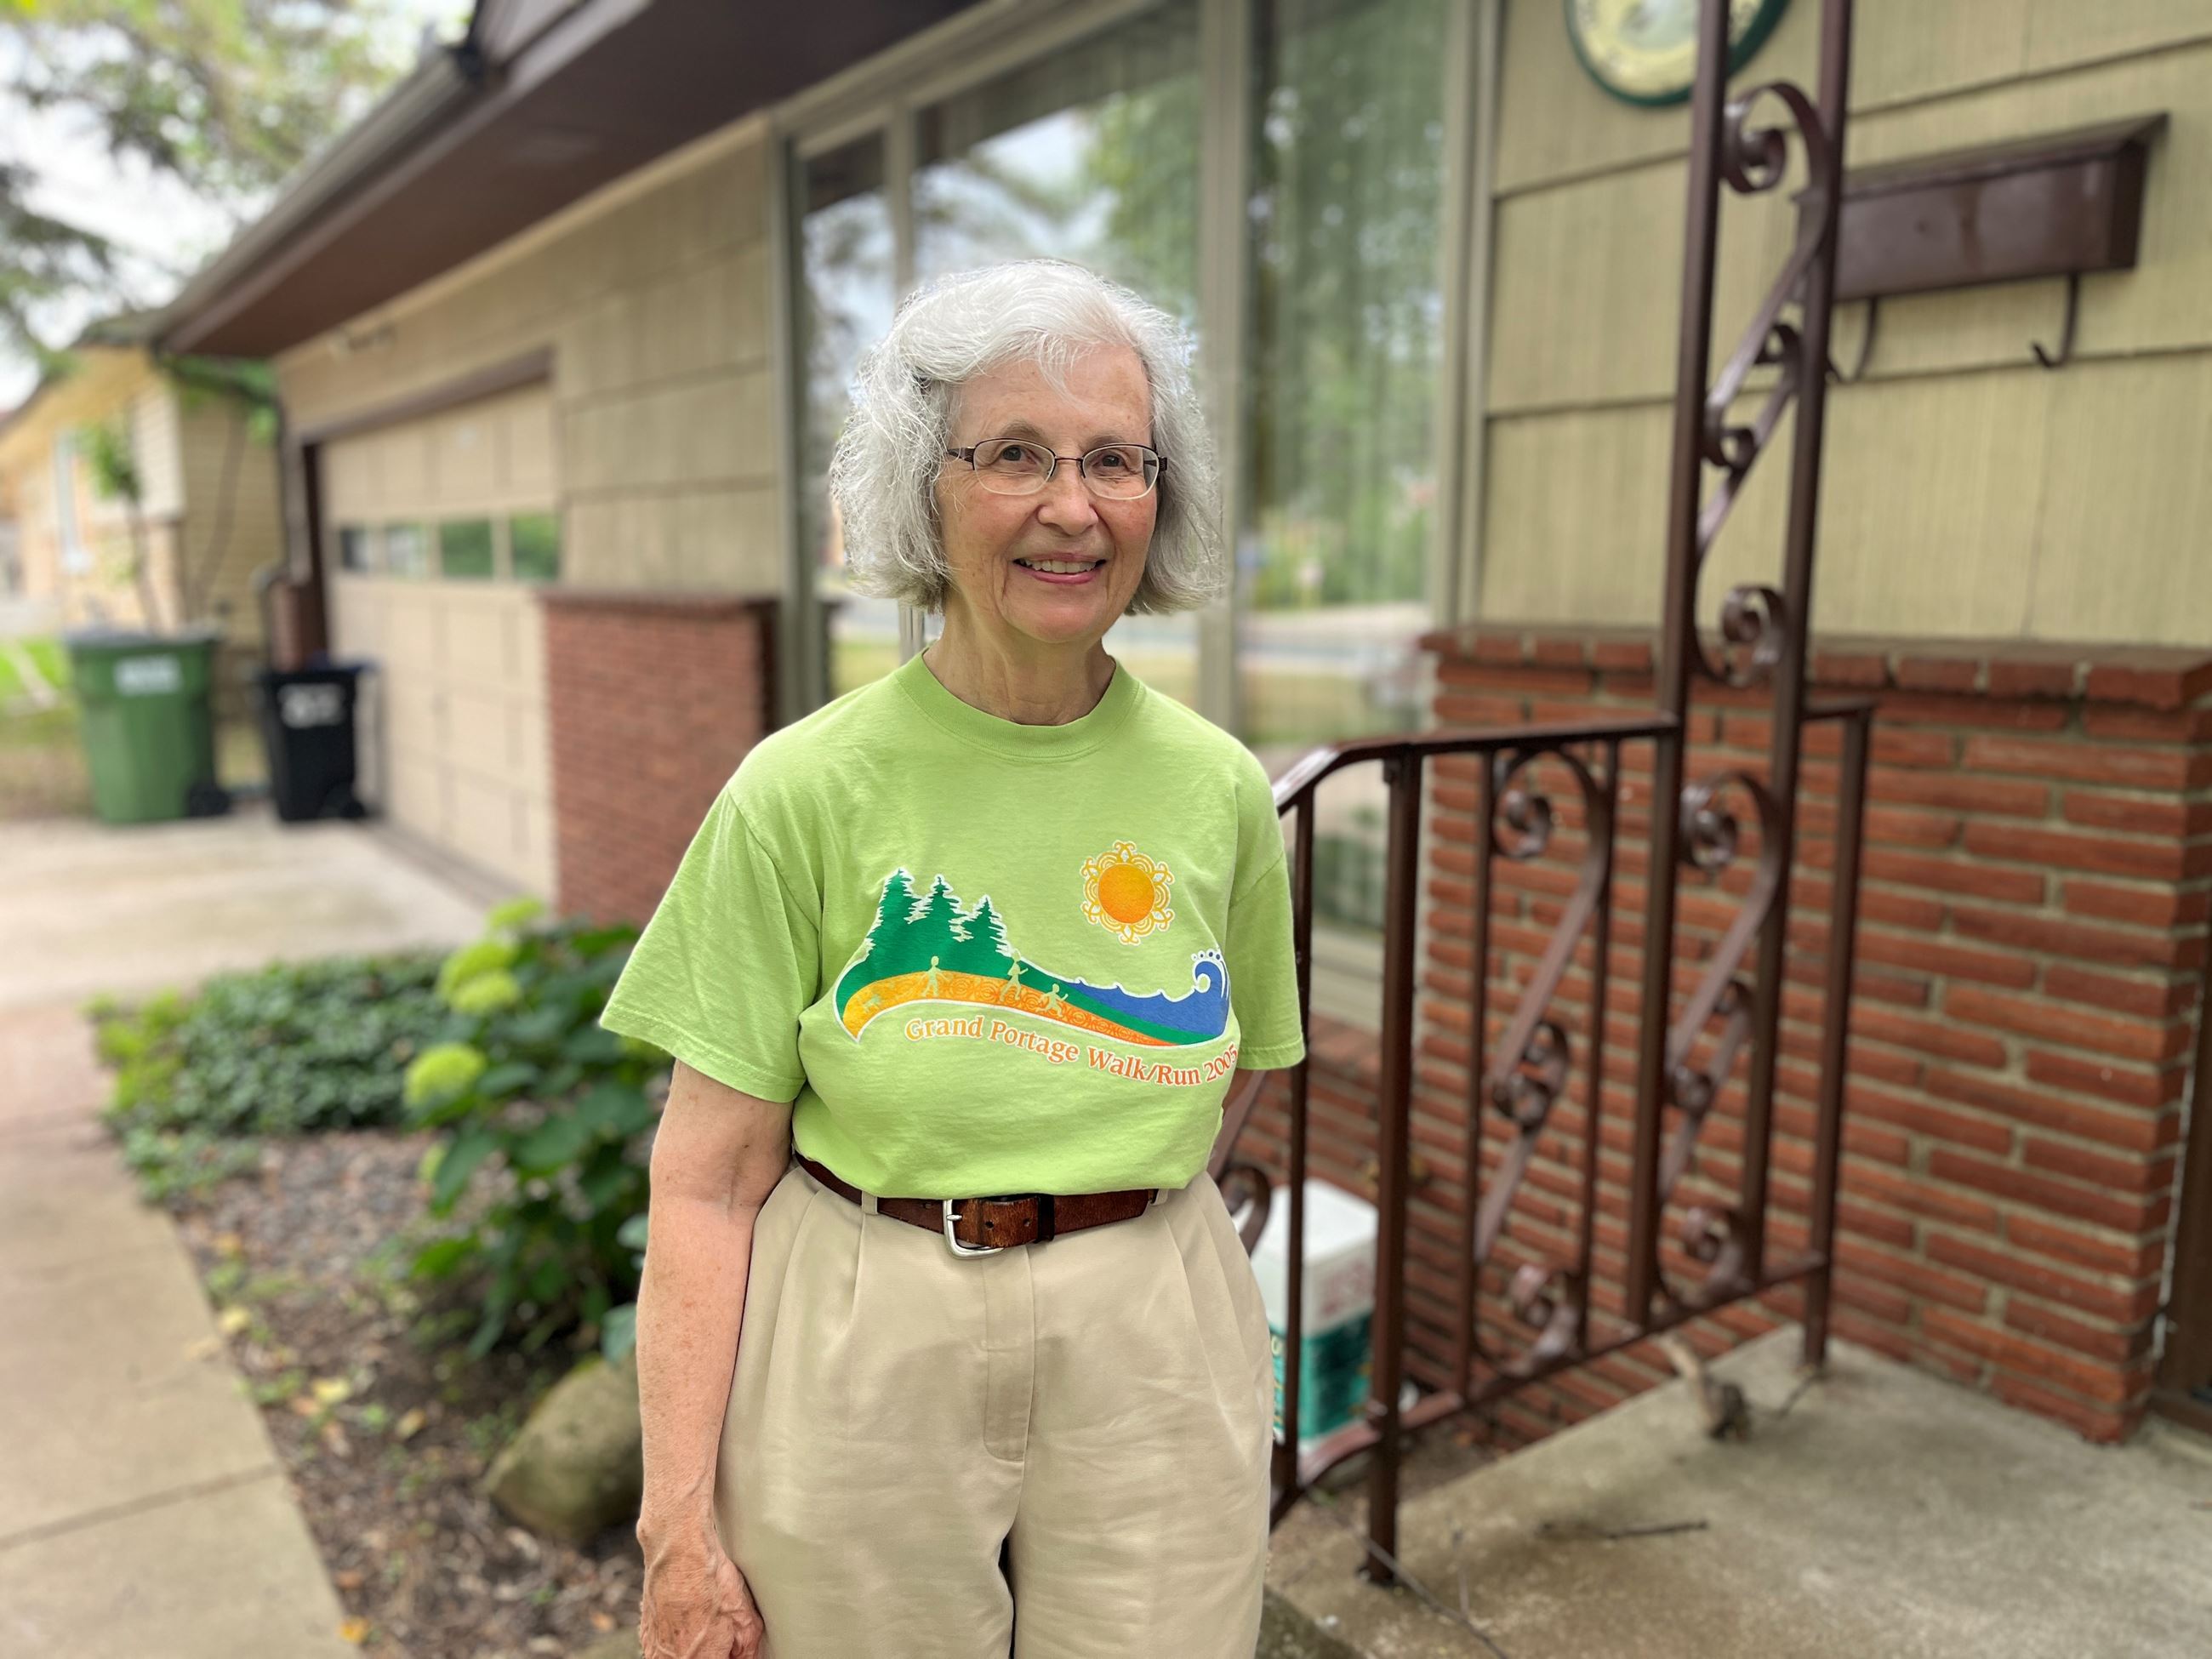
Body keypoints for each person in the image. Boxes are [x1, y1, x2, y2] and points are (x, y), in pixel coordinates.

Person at [600, 258, 1308, 1659]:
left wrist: (1119, 1233)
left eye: (1117, 457)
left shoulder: (1221, 790)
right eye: (1017, 456)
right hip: (868, 1333)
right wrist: (677, 1526)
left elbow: (1240, 1074)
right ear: (925, 485)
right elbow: (703, 1182)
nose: (1074, 505)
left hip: (1152, 1337)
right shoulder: (798, 790)